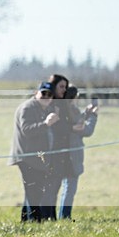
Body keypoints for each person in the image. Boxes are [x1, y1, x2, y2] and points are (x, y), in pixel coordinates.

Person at [8, 81, 59, 222]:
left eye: (50, 95)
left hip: (36, 157)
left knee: (32, 191)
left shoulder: (43, 108)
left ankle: (26, 221)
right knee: (34, 191)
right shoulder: (28, 107)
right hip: (27, 157)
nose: (46, 97)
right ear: (36, 93)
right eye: (44, 93)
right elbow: (27, 130)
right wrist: (46, 124)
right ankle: (35, 222)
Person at [59, 85, 98, 220]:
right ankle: (65, 217)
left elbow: (77, 122)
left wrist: (86, 113)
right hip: (72, 155)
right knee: (69, 188)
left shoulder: (63, 110)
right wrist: (93, 116)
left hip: (62, 154)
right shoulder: (72, 110)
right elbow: (86, 131)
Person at [42, 74, 72, 220]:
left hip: (61, 154)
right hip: (50, 153)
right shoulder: (48, 106)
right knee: (49, 187)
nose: (64, 90)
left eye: (65, 87)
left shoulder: (62, 105)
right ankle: (45, 217)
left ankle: (51, 217)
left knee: (54, 187)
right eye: (61, 86)